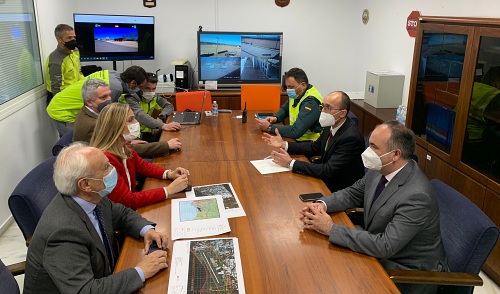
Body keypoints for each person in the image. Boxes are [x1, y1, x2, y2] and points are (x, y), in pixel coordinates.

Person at [300, 121, 448, 294]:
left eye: (374, 147)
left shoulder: (417, 196)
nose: (367, 152)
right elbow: (353, 193)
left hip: (405, 272)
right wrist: (322, 204)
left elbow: (385, 245)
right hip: (378, 252)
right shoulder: (381, 170)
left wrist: (330, 228)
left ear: (395, 154)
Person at [24, 142, 168, 293]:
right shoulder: (63, 232)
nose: (113, 170)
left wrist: (146, 230)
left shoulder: (92, 196)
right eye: (106, 167)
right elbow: (85, 290)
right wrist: (140, 271)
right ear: (85, 184)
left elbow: (122, 214)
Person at [90, 102, 189, 209]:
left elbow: (143, 167)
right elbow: (127, 200)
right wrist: (168, 190)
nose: (136, 123)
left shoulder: (124, 146)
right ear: (115, 126)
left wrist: (169, 174)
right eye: (130, 120)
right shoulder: (106, 160)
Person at [263, 91, 365, 192]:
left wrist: (291, 163)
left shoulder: (351, 138)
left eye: (328, 108)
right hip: (325, 179)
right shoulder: (331, 124)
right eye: (323, 106)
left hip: (338, 189)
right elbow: (315, 147)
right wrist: (284, 145)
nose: (323, 111)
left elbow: (328, 170)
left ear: (343, 113)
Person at [73, 78, 179, 158]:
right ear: (89, 101)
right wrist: (166, 145)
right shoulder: (93, 124)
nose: (109, 100)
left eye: (109, 95)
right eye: (103, 97)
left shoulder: (93, 112)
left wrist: (126, 141)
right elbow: (121, 149)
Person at [47, 65, 147, 137]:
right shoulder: (115, 89)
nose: (141, 90)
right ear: (133, 83)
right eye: (141, 87)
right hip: (61, 110)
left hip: (62, 101)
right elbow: (108, 116)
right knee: (75, 145)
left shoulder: (113, 74)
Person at [255, 67, 323, 141]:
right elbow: (285, 109)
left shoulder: (311, 102)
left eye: (291, 87)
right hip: (295, 139)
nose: (288, 90)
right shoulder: (297, 93)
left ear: (303, 85)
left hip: (309, 144)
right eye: (287, 87)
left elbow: (296, 131)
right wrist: (276, 117)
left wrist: (269, 127)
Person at [121, 72, 181, 142]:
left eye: (154, 89)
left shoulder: (154, 96)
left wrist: (160, 117)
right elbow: (140, 116)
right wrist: (162, 125)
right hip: (131, 134)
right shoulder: (130, 98)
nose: (151, 92)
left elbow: (169, 106)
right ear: (140, 86)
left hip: (147, 131)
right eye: (147, 88)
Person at [45, 24, 84, 105]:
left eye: (74, 37)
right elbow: (57, 90)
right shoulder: (56, 61)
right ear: (59, 39)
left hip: (74, 94)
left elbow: (79, 72)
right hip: (62, 98)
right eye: (69, 38)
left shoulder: (75, 51)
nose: (73, 40)